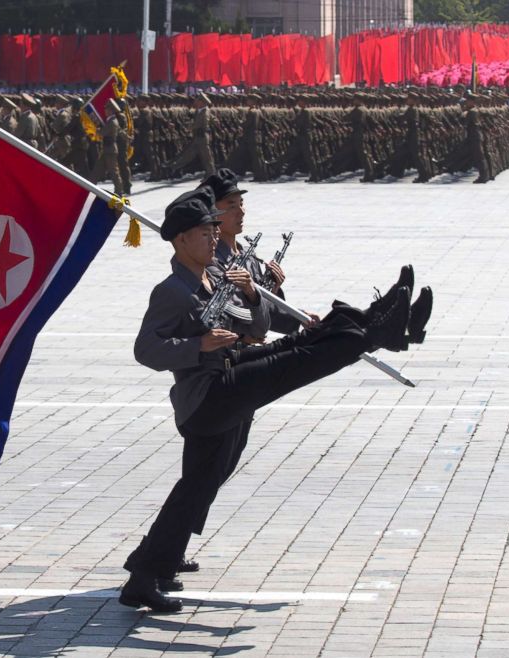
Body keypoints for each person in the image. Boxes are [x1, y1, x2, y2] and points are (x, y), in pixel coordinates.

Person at [120, 188, 429, 613]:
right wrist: (200, 345)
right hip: (209, 395)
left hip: (229, 377)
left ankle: (373, 319)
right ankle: (379, 332)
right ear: (180, 240)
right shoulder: (172, 290)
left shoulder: (215, 275)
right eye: (205, 231)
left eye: (215, 228)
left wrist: (251, 296)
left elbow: (260, 325)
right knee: (297, 362)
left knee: (198, 484)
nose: (214, 236)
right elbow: (146, 350)